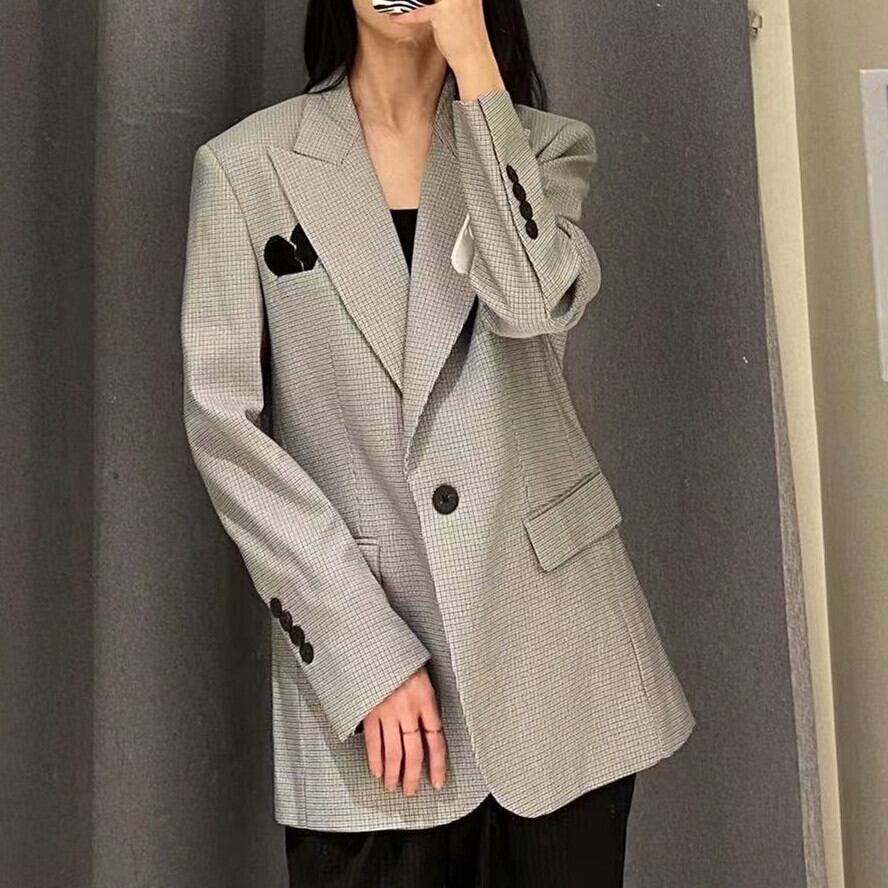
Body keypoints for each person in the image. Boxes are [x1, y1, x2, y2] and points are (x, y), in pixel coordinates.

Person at [180, 0, 696, 885]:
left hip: (555, 669)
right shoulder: (242, 167)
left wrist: (475, 65)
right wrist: (363, 652)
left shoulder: (543, 146)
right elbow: (224, 427)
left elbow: (530, 301)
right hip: (376, 685)